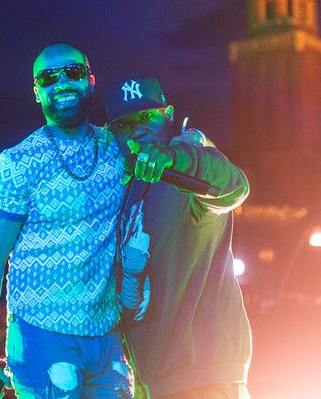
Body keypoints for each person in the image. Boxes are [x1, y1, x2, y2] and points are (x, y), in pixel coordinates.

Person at [0, 43, 134, 398]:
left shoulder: (119, 149)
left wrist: (195, 143)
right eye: (48, 77)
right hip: (41, 333)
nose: (61, 83)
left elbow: (169, 143)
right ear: (37, 92)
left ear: (90, 81)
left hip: (106, 335)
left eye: (72, 73)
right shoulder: (17, 163)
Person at [105, 76, 251, 399]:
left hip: (203, 379)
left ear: (168, 115)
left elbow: (235, 187)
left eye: (147, 117)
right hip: (152, 384)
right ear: (112, 134)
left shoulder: (186, 160)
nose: (138, 129)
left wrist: (174, 158)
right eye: (125, 124)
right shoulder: (124, 192)